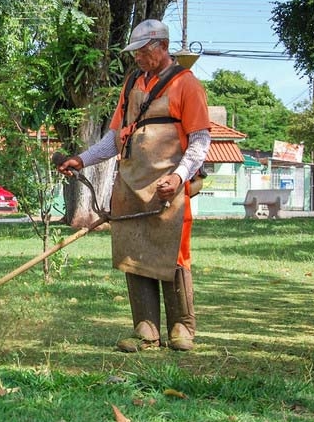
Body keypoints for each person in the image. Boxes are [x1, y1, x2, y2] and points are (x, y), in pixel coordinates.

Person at [56, 19, 211, 352]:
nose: (138, 58)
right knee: (134, 253)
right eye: (135, 53)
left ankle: (182, 328)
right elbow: (115, 139)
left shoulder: (187, 85)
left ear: (162, 47)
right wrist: (82, 159)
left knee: (174, 254)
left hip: (169, 188)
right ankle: (146, 331)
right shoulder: (131, 85)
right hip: (129, 184)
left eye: (143, 52)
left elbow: (200, 141)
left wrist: (179, 176)